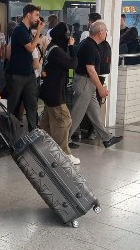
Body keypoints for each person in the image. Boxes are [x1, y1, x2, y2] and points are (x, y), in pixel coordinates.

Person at [68, 21, 123, 149]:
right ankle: (65, 139)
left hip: (88, 83)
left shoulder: (89, 44)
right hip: (85, 82)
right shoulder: (89, 46)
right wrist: (100, 88)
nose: (107, 33)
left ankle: (107, 138)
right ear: (100, 33)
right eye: (106, 31)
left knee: (95, 113)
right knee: (77, 114)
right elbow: (90, 70)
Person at [39, 22, 79, 164]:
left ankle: (43, 150)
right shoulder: (57, 51)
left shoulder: (51, 47)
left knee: (46, 125)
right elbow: (73, 65)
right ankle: (64, 154)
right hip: (55, 92)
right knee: (64, 121)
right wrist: (71, 47)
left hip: (49, 90)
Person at [5, 4, 43, 130]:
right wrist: (39, 32)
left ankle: (33, 134)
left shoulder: (26, 30)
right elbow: (31, 48)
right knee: (13, 105)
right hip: (17, 74)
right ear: (28, 15)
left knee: (32, 105)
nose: (38, 18)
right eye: (36, 15)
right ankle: (9, 133)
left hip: (28, 73)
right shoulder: (19, 29)